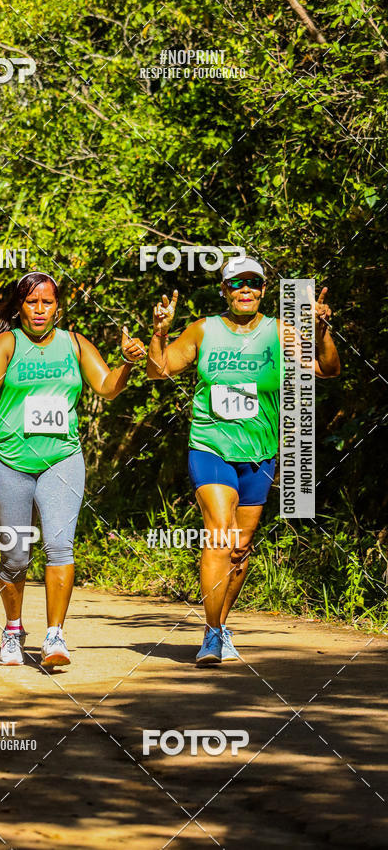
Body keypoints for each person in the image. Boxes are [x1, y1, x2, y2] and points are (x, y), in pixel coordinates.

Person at [147, 257, 340, 665]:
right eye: (237, 283)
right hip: (210, 446)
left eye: (253, 282)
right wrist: (159, 334)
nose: (245, 289)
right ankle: (213, 635)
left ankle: (217, 625)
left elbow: (327, 368)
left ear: (265, 290)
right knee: (219, 532)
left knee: (240, 547)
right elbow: (158, 370)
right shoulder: (204, 329)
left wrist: (322, 331)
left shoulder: (279, 332)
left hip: (259, 454)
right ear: (225, 290)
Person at [0, 271, 146, 668]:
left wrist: (126, 362)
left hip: (62, 459)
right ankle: (12, 629)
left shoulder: (74, 343)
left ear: (58, 305)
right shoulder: (7, 344)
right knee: (16, 557)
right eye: (31, 302)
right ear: (19, 306)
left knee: (59, 546)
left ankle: (55, 634)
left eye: (47, 302)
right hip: (10, 461)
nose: (39, 310)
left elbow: (107, 387)